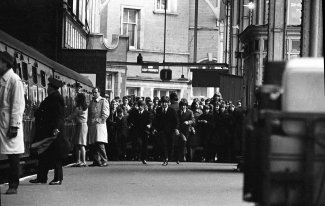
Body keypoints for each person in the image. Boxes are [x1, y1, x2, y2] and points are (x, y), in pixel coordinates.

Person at [30, 77, 69, 185]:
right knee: (44, 155)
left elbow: (59, 116)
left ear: (52, 88)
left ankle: (58, 178)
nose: (47, 88)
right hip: (48, 131)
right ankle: (41, 178)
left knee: (56, 156)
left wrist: (56, 128)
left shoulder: (56, 98)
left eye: (48, 87)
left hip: (54, 132)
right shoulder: (52, 98)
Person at [0, 51, 25, 194]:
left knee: (13, 156)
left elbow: (17, 105)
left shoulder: (14, 80)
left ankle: (13, 185)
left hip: (9, 122)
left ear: (5, 63)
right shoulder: (3, 79)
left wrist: (14, 125)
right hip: (2, 120)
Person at [153, 96, 179, 166]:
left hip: (171, 131)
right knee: (164, 144)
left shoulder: (172, 110)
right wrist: (154, 128)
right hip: (162, 131)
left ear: (168, 103)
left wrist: (176, 129)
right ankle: (165, 158)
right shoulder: (158, 110)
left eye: (166, 102)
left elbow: (176, 121)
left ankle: (172, 157)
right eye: (163, 102)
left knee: (171, 145)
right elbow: (156, 120)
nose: (164, 104)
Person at [88, 87, 110, 167]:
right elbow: (90, 113)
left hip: (100, 125)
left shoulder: (103, 101)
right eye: (93, 92)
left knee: (100, 143)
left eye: (95, 92)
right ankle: (96, 160)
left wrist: (99, 120)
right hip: (93, 125)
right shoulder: (92, 102)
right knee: (94, 144)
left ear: (99, 92)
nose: (94, 94)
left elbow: (106, 113)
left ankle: (104, 160)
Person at [66, 93, 88, 167]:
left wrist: (65, 119)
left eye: (77, 97)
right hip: (84, 125)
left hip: (80, 126)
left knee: (80, 144)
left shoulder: (78, 108)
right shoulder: (85, 107)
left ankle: (83, 161)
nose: (75, 98)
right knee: (78, 144)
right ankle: (79, 160)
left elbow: (72, 116)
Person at [133, 100, 152, 164]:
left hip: (145, 131)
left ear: (143, 106)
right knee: (139, 143)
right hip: (137, 131)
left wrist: (149, 125)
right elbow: (130, 119)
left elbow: (149, 120)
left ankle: (144, 158)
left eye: (141, 106)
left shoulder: (147, 113)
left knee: (145, 145)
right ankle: (138, 156)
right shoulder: (135, 112)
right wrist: (131, 124)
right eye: (139, 106)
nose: (140, 107)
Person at [176, 98, 194, 163]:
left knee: (185, 144)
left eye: (184, 105)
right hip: (179, 130)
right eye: (182, 105)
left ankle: (184, 157)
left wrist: (188, 122)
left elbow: (193, 120)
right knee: (183, 141)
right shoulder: (177, 112)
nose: (183, 107)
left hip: (187, 130)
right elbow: (176, 121)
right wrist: (176, 129)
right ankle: (182, 156)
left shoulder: (190, 112)